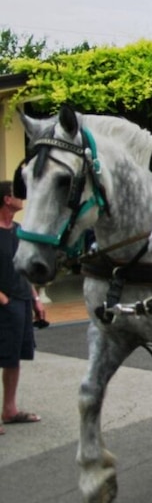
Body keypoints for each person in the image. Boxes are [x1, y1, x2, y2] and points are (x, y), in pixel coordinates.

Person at [0, 181, 44, 433]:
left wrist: (35, 298)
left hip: (21, 301)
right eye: (17, 194)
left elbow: (25, 268)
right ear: (7, 199)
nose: (22, 198)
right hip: (4, 302)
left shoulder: (18, 230)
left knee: (13, 357)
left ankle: (9, 410)